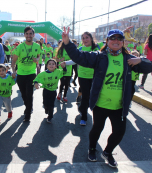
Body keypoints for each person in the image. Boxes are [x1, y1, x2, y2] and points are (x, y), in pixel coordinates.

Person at [61, 26, 152, 168]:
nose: (116, 41)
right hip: (101, 103)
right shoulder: (99, 57)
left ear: (122, 42)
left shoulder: (129, 59)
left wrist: (140, 60)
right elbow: (79, 57)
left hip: (119, 105)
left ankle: (107, 152)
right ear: (107, 41)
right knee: (97, 128)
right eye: (113, 38)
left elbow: (149, 66)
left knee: (120, 132)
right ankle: (92, 149)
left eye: (119, 38)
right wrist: (67, 42)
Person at [11, 26, 41, 122]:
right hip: (21, 74)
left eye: (30, 34)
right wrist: (14, 71)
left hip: (31, 74)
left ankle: (27, 114)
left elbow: (38, 58)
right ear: (24, 35)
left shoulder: (37, 46)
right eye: (27, 33)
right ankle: (28, 106)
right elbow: (13, 61)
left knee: (29, 94)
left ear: (33, 35)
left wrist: (37, 60)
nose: (29, 35)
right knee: (24, 95)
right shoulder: (19, 47)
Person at [77, 32, 100, 125]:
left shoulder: (97, 48)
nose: (85, 40)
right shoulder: (80, 49)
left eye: (87, 37)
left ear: (91, 38)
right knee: (86, 96)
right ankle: (84, 117)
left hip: (95, 76)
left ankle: (82, 108)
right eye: (83, 38)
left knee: (94, 96)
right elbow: (75, 60)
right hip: (83, 76)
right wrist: (65, 63)